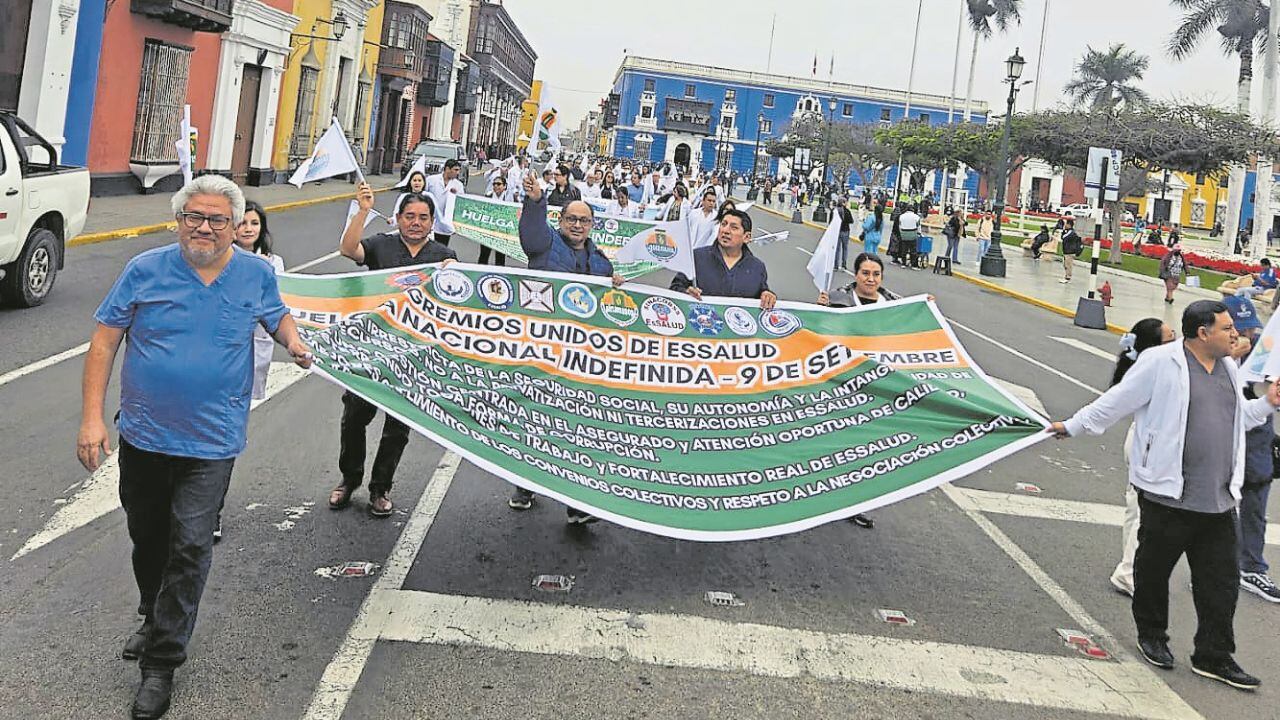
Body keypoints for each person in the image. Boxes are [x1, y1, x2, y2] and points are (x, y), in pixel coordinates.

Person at [79, 175, 312, 719]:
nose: (204, 228)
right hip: (144, 434)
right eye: (194, 217)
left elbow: (275, 313)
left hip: (212, 441)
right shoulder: (145, 270)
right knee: (148, 537)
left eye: (217, 220)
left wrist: (293, 340)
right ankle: (152, 611)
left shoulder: (254, 273)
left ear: (235, 227)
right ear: (179, 220)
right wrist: (92, 419)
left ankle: (161, 663)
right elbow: (104, 341)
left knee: (189, 546)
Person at [1048, 300, 1280, 691]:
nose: (1235, 335)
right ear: (1202, 333)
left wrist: (1267, 404)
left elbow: (1238, 418)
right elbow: (1115, 402)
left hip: (1219, 501)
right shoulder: (1160, 362)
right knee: (1153, 573)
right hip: (1169, 496)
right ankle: (1153, 636)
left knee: (1220, 585)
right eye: (1226, 329)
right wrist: (1071, 426)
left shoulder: (1226, 367)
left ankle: (1214, 655)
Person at [336, 183, 458, 517]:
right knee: (354, 418)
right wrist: (362, 211)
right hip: (371, 349)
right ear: (398, 219)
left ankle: (380, 489)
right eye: (409, 216)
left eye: (423, 217)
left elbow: (454, 304)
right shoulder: (380, 246)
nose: (415, 222)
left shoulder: (443, 257)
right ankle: (349, 479)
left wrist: (452, 278)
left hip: (411, 355)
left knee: (397, 427)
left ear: (432, 222)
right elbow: (349, 249)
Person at [512, 172, 623, 522]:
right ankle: (525, 484)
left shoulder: (601, 262)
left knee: (575, 429)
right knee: (535, 421)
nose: (578, 224)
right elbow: (530, 233)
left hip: (582, 361)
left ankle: (576, 505)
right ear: (561, 221)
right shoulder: (545, 244)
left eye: (584, 220)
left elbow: (611, 309)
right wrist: (535, 202)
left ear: (592, 225)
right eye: (572, 219)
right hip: (542, 351)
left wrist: (616, 285)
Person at [1107, 319, 1178, 597]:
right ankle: (1129, 572)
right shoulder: (1156, 369)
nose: (1177, 343)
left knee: (1135, 509)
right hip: (1147, 445)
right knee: (1146, 514)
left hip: (1140, 441)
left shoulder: (1149, 366)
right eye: (1170, 338)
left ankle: (1130, 570)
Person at [670, 209, 777, 310]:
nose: (725, 230)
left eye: (734, 227)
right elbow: (675, 288)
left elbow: (762, 293)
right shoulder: (697, 257)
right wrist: (686, 292)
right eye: (723, 224)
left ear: (746, 237)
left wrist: (767, 295)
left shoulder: (757, 268)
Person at [424, 159, 465, 245]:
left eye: (458, 170)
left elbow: (460, 205)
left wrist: (455, 194)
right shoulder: (431, 180)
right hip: (429, 219)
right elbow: (423, 197)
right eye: (455, 170)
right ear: (447, 169)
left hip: (445, 222)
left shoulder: (458, 185)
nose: (457, 173)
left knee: (441, 248)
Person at [478, 176, 511, 266]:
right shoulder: (488, 196)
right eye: (494, 184)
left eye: (499, 184)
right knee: (484, 255)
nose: (496, 186)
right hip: (488, 230)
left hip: (501, 231)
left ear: (504, 186)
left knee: (500, 257)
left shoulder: (509, 199)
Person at [898, 204, 921, 269]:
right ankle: (913, 265)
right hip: (913, 234)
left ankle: (903, 263)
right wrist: (919, 233)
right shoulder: (916, 217)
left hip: (904, 234)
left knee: (904, 250)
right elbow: (919, 226)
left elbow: (900, 226)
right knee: (913, 250)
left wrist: (901, 233)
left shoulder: (901, 216)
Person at [835, 197, 855, 271]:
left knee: (837, 249)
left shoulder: (835, 211)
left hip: (837, 231)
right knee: (845, 248)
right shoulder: (847, 211)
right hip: (845, 230)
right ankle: (844, 264)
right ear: (844, 203)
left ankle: (836, 265)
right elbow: (851, 221)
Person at [1060, 219, 1082, 283]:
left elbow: (1064, 237)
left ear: (1069, 225)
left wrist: (1063, 231)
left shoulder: (1071, 232)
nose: (1065, 225)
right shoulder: (1069, 231)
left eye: (1066, 224)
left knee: (1068, 264)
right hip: (1067, 250)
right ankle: (1066, 276)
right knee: (1065, 264)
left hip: (1070, 251)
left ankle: (1068, 277)